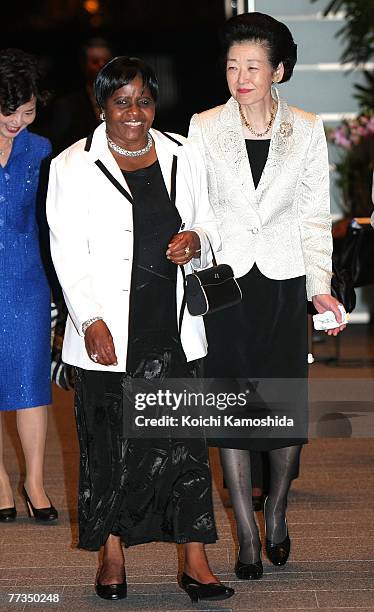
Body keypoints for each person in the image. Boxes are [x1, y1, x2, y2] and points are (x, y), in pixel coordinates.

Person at [46, 56, 234, 603]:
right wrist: (90, 320)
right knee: (107, 444)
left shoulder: (182, 153)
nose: (134, 112)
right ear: (101, 105)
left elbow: (208, 219)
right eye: (121, 101)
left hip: (171, 326)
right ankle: (111, 553)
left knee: (185, 446)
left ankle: (195, 560)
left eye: (144, 100)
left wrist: (196, 239)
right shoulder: (72, 166)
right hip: (107, 329)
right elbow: (66, 252)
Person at [188, 12, 346, 580]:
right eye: (233, 65)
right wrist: (196, 253)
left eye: (253, 65)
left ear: (278, 70)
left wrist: (320, 289)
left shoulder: (305, 128)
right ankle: (247, 534)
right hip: (229, 285)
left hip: (282, 283)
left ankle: (275, 509)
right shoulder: (205, 126)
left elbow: (312, 217)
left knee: (281, 405)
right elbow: (199, 213)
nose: (241, 76)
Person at [0, 49, 58, 523]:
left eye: (28, 111)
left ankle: (34, 481)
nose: (19, 120)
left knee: (31, 385)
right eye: (9, 111)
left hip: (26, 280)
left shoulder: (40, 150)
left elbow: (51, 221)